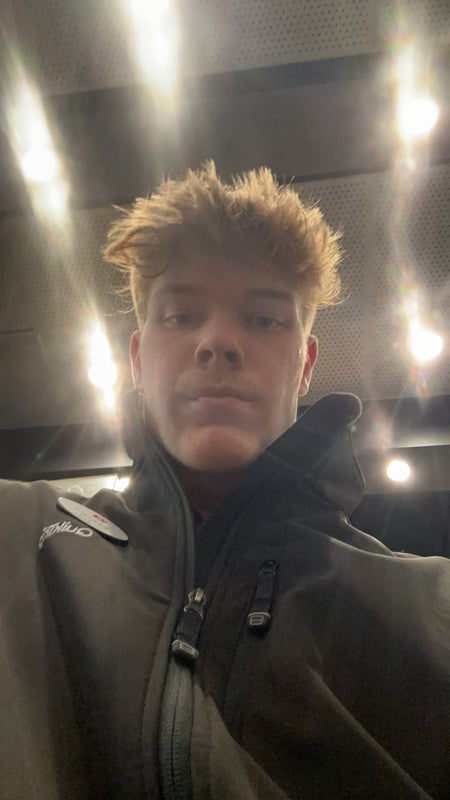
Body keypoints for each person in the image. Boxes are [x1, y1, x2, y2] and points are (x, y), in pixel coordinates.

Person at [0, 162, 449, 800]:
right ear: (137, 359)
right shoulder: (16, 537)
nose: (217, 341)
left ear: (305, 364)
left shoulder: (431, 609)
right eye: (181, 316)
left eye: (263, 320)